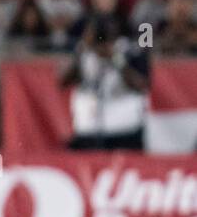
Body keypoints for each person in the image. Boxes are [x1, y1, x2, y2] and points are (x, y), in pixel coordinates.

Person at [61, 15, 149, 150]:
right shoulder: (84, 52)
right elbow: (62, 82)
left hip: (125, 127)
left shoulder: (129, 49)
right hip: (89, 127)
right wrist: (82, 52)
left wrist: (116, 59)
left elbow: (142, 85)